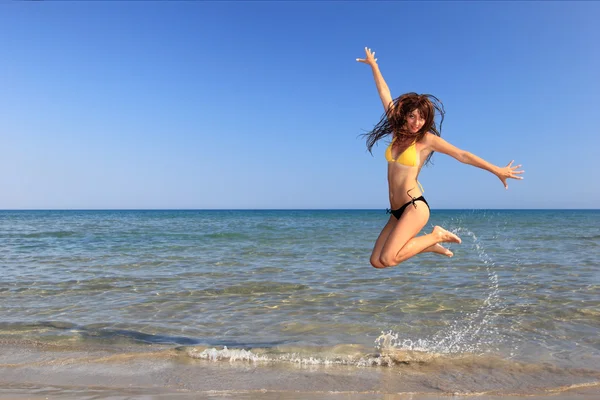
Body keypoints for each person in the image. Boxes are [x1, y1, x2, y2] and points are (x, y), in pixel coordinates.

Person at [356, 47, 524, 269]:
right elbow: (385, 94)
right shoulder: (397, 132)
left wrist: (497, 170)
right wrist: (374, 66)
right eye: (412, 116)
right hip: (396, 211)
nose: (416, 122)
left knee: (388, 258)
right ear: (405, 116)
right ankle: (428, 245)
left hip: (414, 206)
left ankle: (435, 236)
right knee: (376, 261)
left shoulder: (426, 140)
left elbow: (462, 155)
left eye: (421, 118)